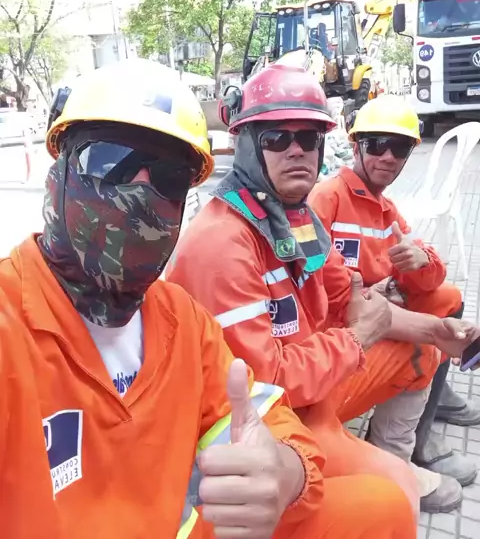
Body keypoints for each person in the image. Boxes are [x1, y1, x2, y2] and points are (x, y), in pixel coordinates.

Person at [0, 59, 417, 539]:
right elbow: (283, 370)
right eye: (108, 160)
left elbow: (263, 414)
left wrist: (285, 472)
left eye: (169, 176)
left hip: (257, 466)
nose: (140, 191)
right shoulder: (13, 325)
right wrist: (358, 338)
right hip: (314, 388)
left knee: (385, 507)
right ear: (58, 172)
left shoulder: (182, 320)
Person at [166, 63, 480, 515]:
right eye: (277, 138)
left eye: (309, 138)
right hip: (268, 426)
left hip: (311, 390)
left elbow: (349, 298)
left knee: (423, 352)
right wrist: (356, 338)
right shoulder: (223, 243)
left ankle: (391, 454)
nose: (297, 150)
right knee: (394, 502)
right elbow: (264, 386)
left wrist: (437, 331)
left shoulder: (297, 219)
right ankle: (385, 472)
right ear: (246, 144)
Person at [308, 95, 480, 491]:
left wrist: (421, 261)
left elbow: (429, 281)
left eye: (399, 148)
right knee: (424, 350)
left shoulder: (386, 209)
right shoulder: (327, 199)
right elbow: (328, 295)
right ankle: (394, 453)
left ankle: (424, 418)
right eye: (376, 144)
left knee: (448, 298)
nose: (387, 156)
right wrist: (396, 309)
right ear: (356, 147)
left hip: (371, 314)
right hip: (341, 333)